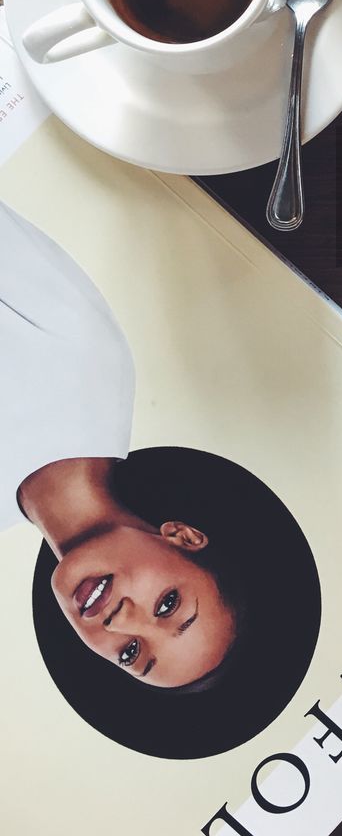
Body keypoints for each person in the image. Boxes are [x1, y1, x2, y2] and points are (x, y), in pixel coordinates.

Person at [2, 200, 237, 690]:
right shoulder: (88, 366)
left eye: (131, 653)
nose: (122, 623)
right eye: (168, 605)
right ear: (183, 538)